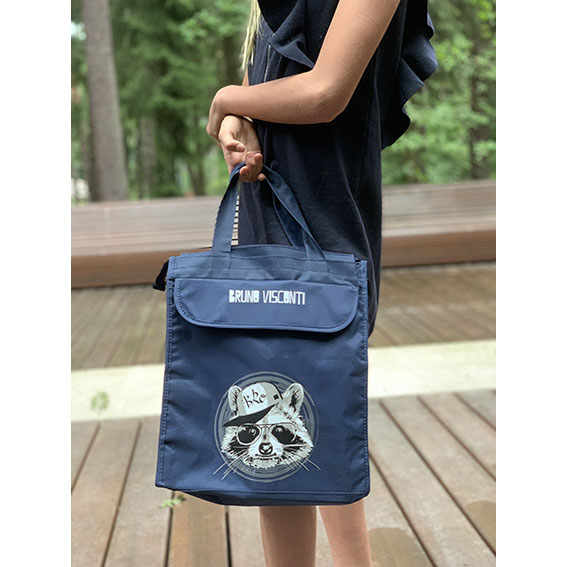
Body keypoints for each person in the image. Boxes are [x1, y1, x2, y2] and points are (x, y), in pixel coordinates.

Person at [206, 1, 437, 565]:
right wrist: (243, 117)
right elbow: (275, 80)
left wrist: (227, 99)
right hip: (270, 207)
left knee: (320, 425)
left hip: (325, 219)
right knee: (276, 447)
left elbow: (325, 92)